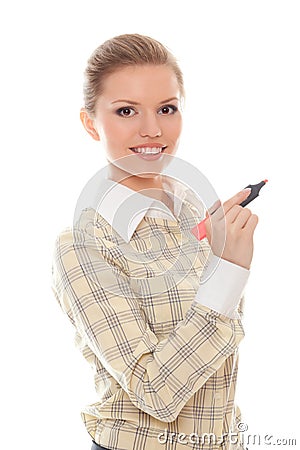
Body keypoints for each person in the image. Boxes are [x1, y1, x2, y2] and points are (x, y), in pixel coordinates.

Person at [51, 34, 258, 450]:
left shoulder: (192, 212)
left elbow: (214, 371)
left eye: (167, 108)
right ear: (90, 122)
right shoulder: (82, 245)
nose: (152, 129)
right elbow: (154, 393)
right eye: (126, 110)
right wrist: (228, 271)